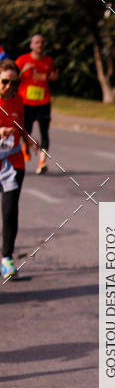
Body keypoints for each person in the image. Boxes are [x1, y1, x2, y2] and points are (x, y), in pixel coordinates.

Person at [16, 34, 58, 175]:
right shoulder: (22, 60)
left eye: (42, 42)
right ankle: (25, 147)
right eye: (37, 42)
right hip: (26, 102)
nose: (40, 45)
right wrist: (23, 70)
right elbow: (12, 78)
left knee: (44, 132)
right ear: (31, 45)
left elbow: (50, 77)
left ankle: (42, 162)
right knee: (25, 130)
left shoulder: (48, 61)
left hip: (43, 102)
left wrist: (53, 78)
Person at [0, 61, 27, 280]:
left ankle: (6, 258)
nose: (9, 86)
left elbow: (21, 126)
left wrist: (29, 140)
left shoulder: (18, 101)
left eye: (13, 82)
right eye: (4, 81)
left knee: (9, 211)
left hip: (14, 162)